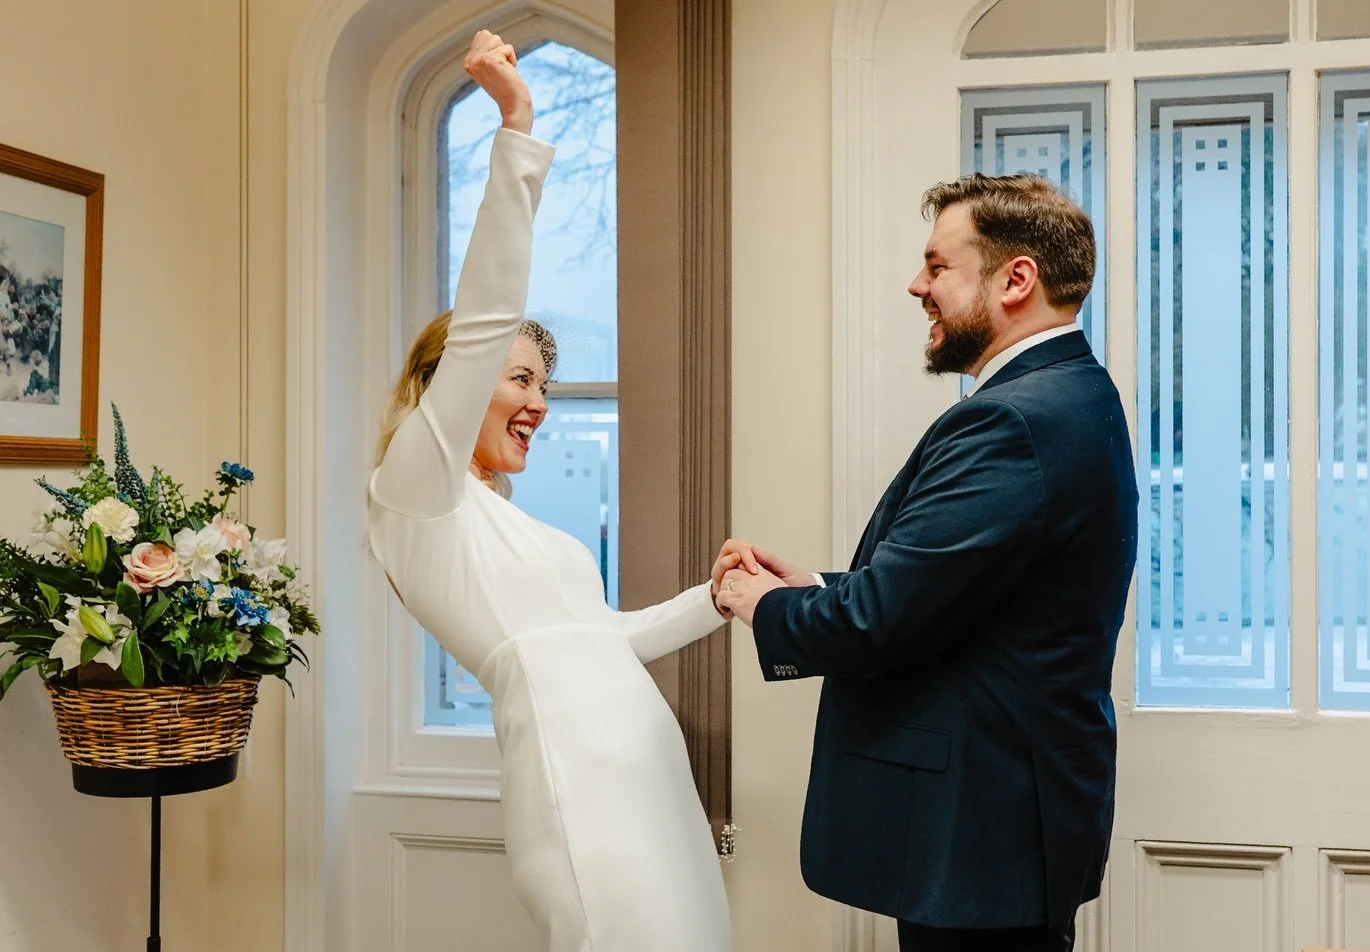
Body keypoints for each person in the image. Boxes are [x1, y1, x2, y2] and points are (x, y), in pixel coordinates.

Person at [366, 30, 746, 952]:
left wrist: (717, 597)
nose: (539, 403)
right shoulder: (413, 490)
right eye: (518, 378)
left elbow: (601, 642)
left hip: (651, 783)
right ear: (445, 384)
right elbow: (488, 306)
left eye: (546, 384)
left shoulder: (502, 522)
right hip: (584, 797)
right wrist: (517, 126)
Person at [716, 174, 1138, 952]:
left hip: (982, 831)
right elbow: (964, 597)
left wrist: (751, 599)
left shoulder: (1012, 420)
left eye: (938, 266)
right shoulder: (1076, 393)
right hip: (1007, 819)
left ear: (1017, 280)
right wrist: (810, 586)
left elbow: (878, 624)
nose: (917, 285)